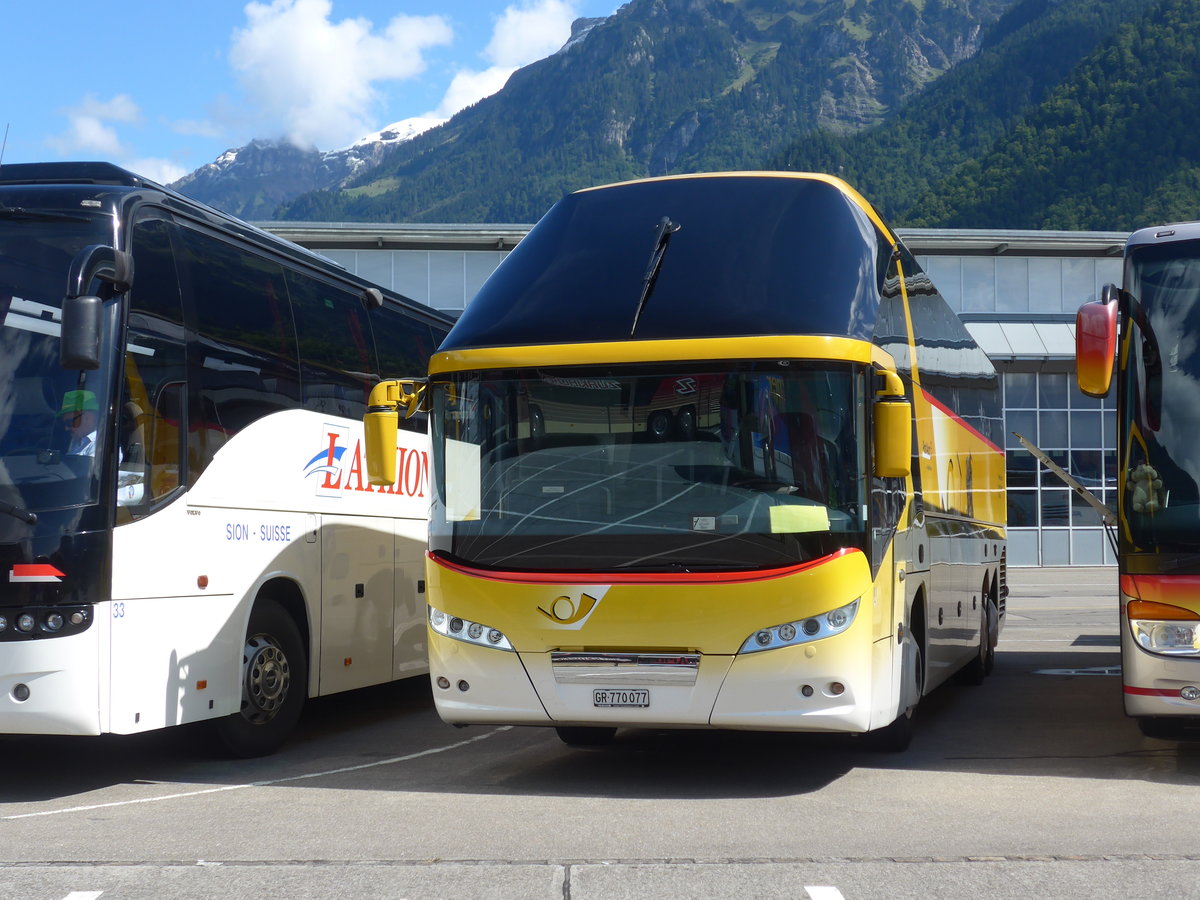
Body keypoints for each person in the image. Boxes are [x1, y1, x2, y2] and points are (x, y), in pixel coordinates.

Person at [60, 389, 100, 457]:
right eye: (64, 423)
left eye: (70, 422)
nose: (66, 428)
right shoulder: (76, 443)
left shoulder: (100, 445)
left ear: (88, 418)